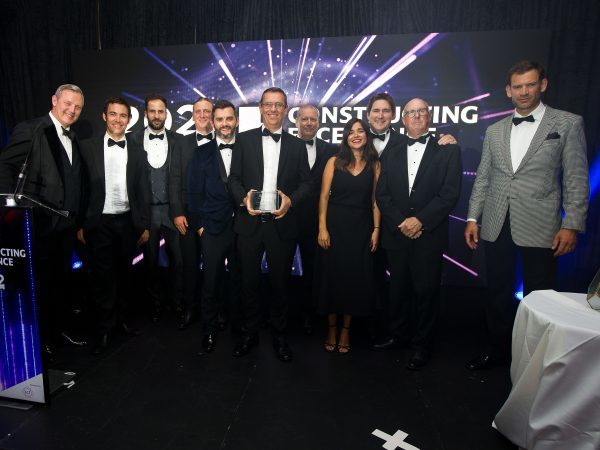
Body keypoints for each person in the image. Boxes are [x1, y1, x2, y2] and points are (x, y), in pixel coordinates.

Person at [464, 60, 589, 370]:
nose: (523, 92)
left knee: (540, 295)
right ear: (508, 91)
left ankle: (535, 361)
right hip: (497, 221)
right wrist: (472, 217)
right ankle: (497, 350)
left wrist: (572, 224)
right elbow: (483, 177)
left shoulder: (567, 123)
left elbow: (576, 177)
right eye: (517, 86)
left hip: (541, 223)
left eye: (530, 85)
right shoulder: (494, 130)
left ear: (542, 85)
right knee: (497, 291)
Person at [0, 84, 88, 357]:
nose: (72, 110)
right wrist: (10, 210)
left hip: (66, 227)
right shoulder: (33, 129)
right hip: (38, 225)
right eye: (68, 103)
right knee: (40, 285)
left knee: (61, 283)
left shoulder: (73, 137)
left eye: (77, 107)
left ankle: (57, 332)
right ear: (54, 100)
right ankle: (41, 340)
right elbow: (5, 165)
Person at [375, 98, 462, 370]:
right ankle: (398, 335)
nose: (415, 116)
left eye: (421, 112)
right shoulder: (390, 151)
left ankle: (422, 345)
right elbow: (382, 194)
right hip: (397, 233)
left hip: (429, 234)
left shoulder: (448, 149)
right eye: (410, 112)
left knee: (426, 291)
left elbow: (450, 194)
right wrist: (402, 222)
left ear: (429, 116)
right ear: (403, 119)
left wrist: (420, 221)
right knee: (398, 289)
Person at [228, 87, 311, 362]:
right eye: (268, 104)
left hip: (281, 224)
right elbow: (233, 179)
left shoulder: (297, 146)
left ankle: (279, 336)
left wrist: (291, 201)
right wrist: (243, 199)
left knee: (280, 285)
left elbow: (307, 184)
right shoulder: (243, 140)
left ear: (286, 110)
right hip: (249, 223)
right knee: (248, 284)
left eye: (278, 105)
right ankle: (249, 334)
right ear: (261, 108)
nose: (273, 109)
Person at [78, 97, 150, 355]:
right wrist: (80, 223)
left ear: (129, 120)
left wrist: (144, 225)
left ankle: (122, 321)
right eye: (113, 114)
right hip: (100, 222)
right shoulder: (87, 148)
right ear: (104, 116)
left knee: (125, 274)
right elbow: (80, 189)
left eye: (123, 115)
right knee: (102, 277)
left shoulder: (138, 151)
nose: (118, 120)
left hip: (127, 222)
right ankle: (105, 328)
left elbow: (143, 191)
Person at [317, 118, 381, 354]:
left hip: (361, 230)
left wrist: (376, 229)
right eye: (351, 131)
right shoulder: (334, 162)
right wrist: (322, 228)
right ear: (345, 136)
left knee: (354, 282)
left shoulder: (375, 164)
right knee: (333, 280)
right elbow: (323, 197)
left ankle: (346, 330)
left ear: (366, 135)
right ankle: (331, 328)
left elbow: (375, 201)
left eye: (360, 131)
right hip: (334, 229)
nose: (356, 135)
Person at [187, 99, 240, 353]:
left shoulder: (247, 148)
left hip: (244, 227)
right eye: (219, 119)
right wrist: (199, 226)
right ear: (213, 122)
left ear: (236, 121)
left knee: (240, 281)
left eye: (229, 118)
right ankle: (208, 330)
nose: (224, 123)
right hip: (212, 227)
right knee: (210, 282)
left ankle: (238, 328)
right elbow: (193, 192)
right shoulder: (201, 153)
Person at [130, 94, 184, 323]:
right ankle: (155, 304)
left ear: (166, 114)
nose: (156, 115)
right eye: (152, 111)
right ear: (145, 114)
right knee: (150, 262)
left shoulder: (178, 140)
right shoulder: (132, 140)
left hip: (173, 211)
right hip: (147, 212)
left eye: (160, 111)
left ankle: (177, 303)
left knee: (178, 261)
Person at [170, 97, 214, 329]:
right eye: (199, 111)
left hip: (214, 215)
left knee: (214, 266)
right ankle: (190, 308)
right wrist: (177, 212)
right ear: (193, 114)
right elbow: (174, 178)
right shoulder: (181, 142)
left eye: (207, 111)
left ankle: (215, 310)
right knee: (189, 264)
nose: (203, 115)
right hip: (186, 215)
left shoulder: (223, 140)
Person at [293, 104, 337, 335]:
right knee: (282, 268)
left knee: (314, 270)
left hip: (319, 221)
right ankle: (284, 314)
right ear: (296, 121)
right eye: (305, 119)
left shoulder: (332, 150)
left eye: (313, 119)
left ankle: (310, 315)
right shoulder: (285, 146)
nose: (309, 123)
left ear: (319, 122)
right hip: (288, 218)